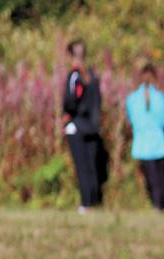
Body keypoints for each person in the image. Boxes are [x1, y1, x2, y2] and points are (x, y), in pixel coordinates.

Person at [61, 39, 102, 213]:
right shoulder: (93, 76)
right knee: (91, 165)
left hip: (76, 126)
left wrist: (67, 115)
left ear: (71, 55)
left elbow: (71, 100)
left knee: (82, 166)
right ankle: (93, 201)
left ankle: (86, 203)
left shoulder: (75, 76)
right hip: (93, 127)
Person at [125, 63, 164, 210]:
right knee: (161, 178)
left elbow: (130, 121)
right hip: (160, 143)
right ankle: (161, 205)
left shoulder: (132, 99)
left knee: (151, 179)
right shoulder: (160, 97)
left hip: (142, 145)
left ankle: (157, 205)